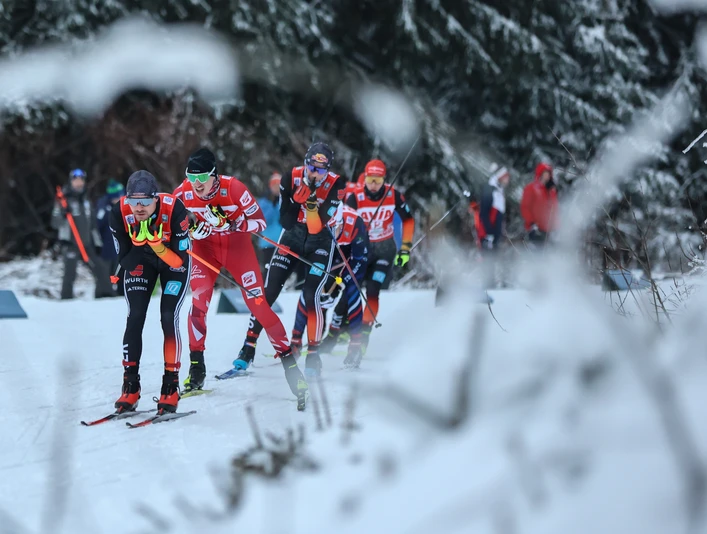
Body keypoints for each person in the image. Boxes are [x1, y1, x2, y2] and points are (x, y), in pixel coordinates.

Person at [173, 148, 308, 401]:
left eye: (202, 178)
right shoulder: (183, 192)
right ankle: (196, 368)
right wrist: (191, 231)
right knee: (198, 305)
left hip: (237, 249)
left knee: (258, 305)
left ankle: (291, 369)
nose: (197, 185)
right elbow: (171, 223)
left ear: (215, 175)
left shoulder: (233, 188)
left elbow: (260, 223)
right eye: (191, 178)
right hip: (205, 250)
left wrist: (231, 224)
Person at [235, 141, 346, 378]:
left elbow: (317, 228)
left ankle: (313, 354)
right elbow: (285, 221)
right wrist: (296, 201)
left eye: (321, 170)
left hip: (320, 241)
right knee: (270, 289)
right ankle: (248, 347)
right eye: (311, 167)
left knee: (310, 294)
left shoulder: (337, 184)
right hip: (293, 236)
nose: (315, 174)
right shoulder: (291, 177)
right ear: (305, 164)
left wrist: (313, 205)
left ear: (328, 170)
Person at [109, 171, 191, 414]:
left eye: (145, 201)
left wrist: (157, 245)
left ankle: (171, 386)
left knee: (168, 316)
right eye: (134, 201)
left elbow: (179, 262)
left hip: (171, 260)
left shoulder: (174, 208)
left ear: (156, 198)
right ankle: (130, 386)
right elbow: (125, 263)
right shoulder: (119, 213)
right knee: (135, 317)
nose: (139, 207)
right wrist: (138, 244)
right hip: (140, 260)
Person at [321, 159, 414, 353]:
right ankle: (334, 332)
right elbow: (347, 223)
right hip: (362, 250)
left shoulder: (393, 195)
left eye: (378, 181)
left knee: (373, 290)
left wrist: (405, 247)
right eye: (370, 180)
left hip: (385, 249)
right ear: (364, 179)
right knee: (350, 289)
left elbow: (408, 220)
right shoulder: (355, 197)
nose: (374, 185)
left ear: (384, 180)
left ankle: (363, 335)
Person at [291, 203, 369, 368]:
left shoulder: (355, 222)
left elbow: (358, 257)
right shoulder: (316, 224)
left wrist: (343, 278)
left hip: (351, 254)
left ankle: (355, 345)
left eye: (336, 226)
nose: (333, 228)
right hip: (326, 250)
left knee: (352, 289)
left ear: (341, 222)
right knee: (311, 290)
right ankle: (296, 340)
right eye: (329, 225)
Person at [51, 168, 113, 299]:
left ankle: (106, 296)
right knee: (70, 274)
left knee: (100, 268)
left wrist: (97, 243)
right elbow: (55, 223)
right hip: (70, 243)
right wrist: (63, 212)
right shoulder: (63, 200)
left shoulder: (86, 201)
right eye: (76, 181)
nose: (79, 183)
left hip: (86, 243)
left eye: (81, 181)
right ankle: (66, 299)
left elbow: (93, 225)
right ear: (71, 182)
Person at [96, 179, 126, 295]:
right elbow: (97, 226)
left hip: (121, 248)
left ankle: (121, 293)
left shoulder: (126, 206)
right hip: (106, 248)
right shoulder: (103, 208)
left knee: (121, 272)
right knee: (105, 274)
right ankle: (102, 293)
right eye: (115, 198)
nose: (117, 200)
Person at [520, 162, 558, 248]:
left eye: (548, 173)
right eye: (545, 173)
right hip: (535, 228)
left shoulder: (551, 191)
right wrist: (531, 223)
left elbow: (554, 209)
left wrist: (556, 226)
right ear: (540, 173)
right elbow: (525, 207)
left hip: (548, 230)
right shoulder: (531, 188)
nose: (547, 176)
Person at [473, 166, 510, 253]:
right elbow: (484, 214)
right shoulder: (490, 190)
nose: (508, 179)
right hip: (488, 235)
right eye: (506, 177)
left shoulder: (499, 191)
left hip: (494, 235)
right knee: (488, 262)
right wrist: (489, 232)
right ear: (500, 177)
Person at [256, 172, 283, 276]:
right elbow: (262, 220)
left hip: (282, 242)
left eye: (278, 186)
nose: (276, 188)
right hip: (268, 242)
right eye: (274, 185)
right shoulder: (264, 201)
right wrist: (272, 206)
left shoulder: (284, 200)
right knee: (268, 269)